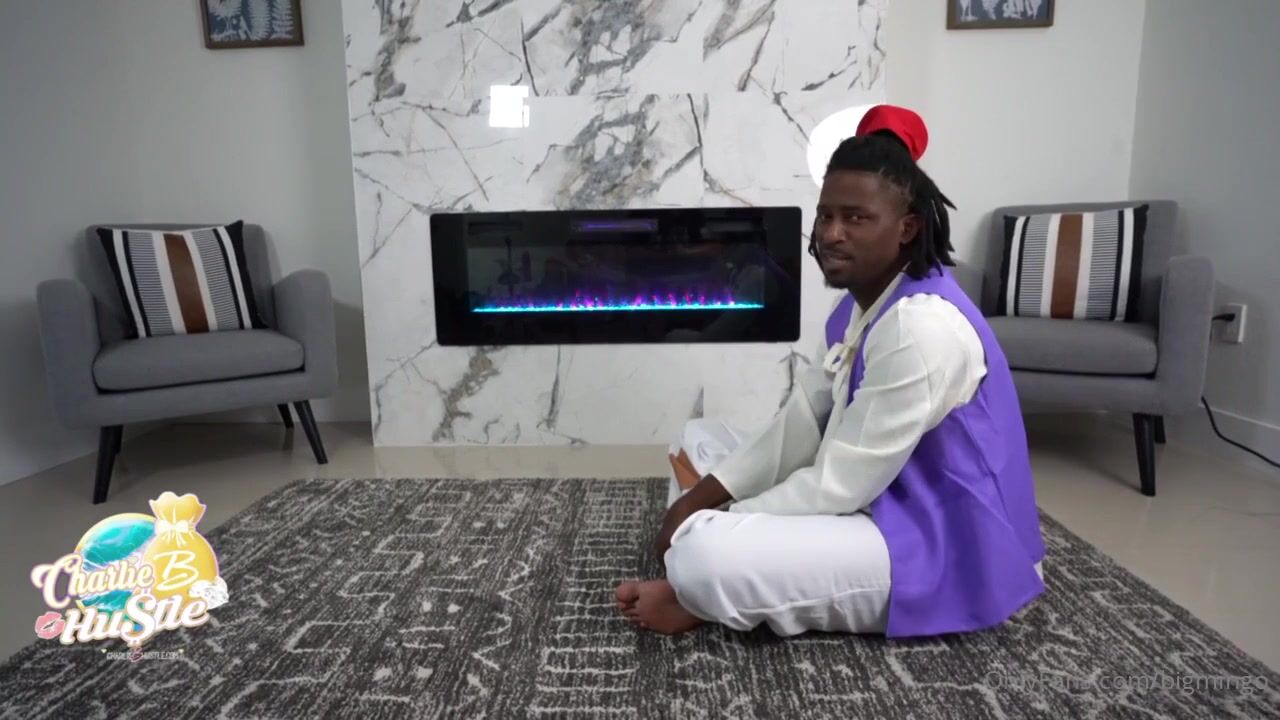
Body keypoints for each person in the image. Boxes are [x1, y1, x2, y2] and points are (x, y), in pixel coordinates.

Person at [615, 105, 1046, 638]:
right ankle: (715, 572)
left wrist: (721, 518)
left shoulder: (920, 328)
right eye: (825, 216)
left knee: (705, 552)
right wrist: (700, 496)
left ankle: (700, 590)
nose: (832, 234)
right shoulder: (860, 304)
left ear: (907, 228)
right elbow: (804, 421)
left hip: (938, 542)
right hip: (876, 494)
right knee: (697, 439)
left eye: (857, 218)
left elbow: (840, 486)